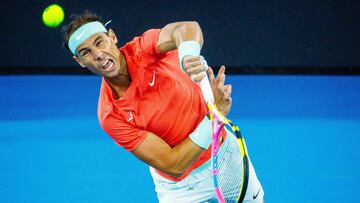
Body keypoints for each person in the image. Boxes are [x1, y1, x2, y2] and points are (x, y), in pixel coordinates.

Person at [62, 11, 264, 203]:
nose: (98, 54)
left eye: (100, 42)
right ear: (79, 61)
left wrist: (187, 54)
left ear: (112, 37)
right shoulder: (110, 115)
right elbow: (173, 165)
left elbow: (186, 28)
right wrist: (215, 115)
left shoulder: (144, 48)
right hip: (179, 189)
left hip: (225, 157)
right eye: (86, 52)